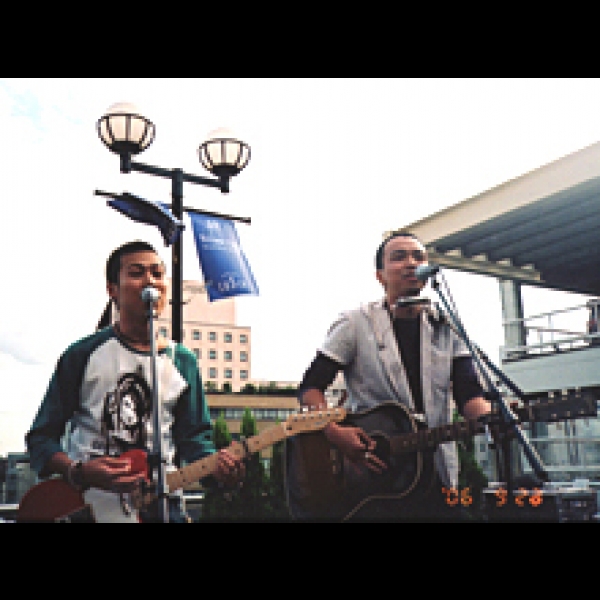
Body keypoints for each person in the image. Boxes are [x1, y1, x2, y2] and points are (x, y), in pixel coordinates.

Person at [25, 240, 245, 522]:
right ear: (112, 289)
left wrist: (221, 471)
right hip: (90, 507)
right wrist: (78, 472)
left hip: (163, 508)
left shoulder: (183, 361)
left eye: (157, 273)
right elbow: (41, 437)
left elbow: (194, 441)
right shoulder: (83, 354)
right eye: (137, 273)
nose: (150, 281)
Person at [295, 232, 492, 521]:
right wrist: (335, 434)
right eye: (399, 257)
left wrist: (492, 418)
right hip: (373, 479)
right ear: (380, 276)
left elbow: (469, 393)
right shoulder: (354, 323)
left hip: (435, 474)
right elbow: (310, 388)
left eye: (418, 257)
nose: (411, 263)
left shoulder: (446, 325)